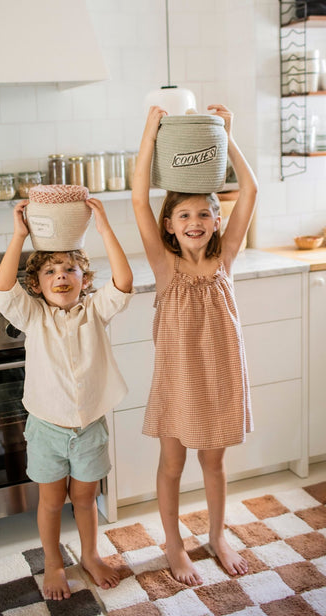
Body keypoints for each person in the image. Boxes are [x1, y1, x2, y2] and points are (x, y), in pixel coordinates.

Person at [132, 103, 258, 583]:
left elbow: (249, 189)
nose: (195, 221)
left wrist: (227, 134)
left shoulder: (226, 258)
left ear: (217, 220)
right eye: (184, 214)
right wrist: (149, 133)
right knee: (171, 465)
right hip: (177, 382)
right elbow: (140, 199)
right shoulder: (165, 269)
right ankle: (173, 545)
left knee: (215, 465)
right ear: (170, 224)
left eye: (205, 212)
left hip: (222, 379)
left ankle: (217, 535)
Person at [0, 197, 133, 601]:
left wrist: (106, 229)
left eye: (70, 269)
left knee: (87, 500)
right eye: (51, 271)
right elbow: (4, 288)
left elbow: (123, 282)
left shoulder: (96, 311)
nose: (61, 277)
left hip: (89, 428)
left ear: (84, 279)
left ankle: (90, 555)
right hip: (47, 430)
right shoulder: (33, 316)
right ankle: (54, 562)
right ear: (37, 285)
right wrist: (19, 236)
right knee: (52, 501)